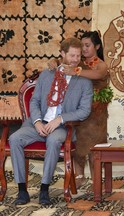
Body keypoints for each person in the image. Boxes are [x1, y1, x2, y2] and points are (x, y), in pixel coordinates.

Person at [9, 37, 93, 205]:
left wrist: (60, 119)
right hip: (38, 125)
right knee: (14, 139)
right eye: (72, 56)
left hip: (62, 127)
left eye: (78, 56)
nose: (76, 60)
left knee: (54, 141)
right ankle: (22, 190)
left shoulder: (84, 81)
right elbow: (34, 101)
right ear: (62, 54)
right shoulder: (47, 74)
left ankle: (44, 189)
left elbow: (84, 111)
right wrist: (38, 121)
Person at [48, 31, 109, 189]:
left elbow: (98, 74)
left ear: (96, 46)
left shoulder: (100, 64)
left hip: (96, 115)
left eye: (87, 46)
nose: (84, 49)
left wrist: (76, 71)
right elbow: (63, 61)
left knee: (95, 146)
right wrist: (53, 62)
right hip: (78, 112)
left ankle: (97, 182)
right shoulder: (78, 62)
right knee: (77, 143)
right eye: (82, 46)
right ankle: (79, 177)